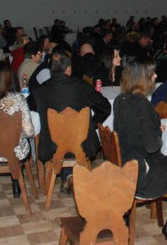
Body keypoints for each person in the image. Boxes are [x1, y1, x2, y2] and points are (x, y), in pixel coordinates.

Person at [113, 57, 167, 240]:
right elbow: (153, 146)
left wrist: (152, 128)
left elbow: (132, 130)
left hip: (126, 165)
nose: (156, 76)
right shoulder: (142, 105)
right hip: (143, 174)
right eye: (152, 73)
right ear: (142, 78)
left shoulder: (120, 100)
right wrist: (157, 131)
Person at [33, 53, 111, 193]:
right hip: (83, 143)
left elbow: (31, 108)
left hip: (51, 145)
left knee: (62, 138)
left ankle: (68, 176)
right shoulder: (81, 86)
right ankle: (71, 176)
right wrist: (90, 124)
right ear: (69, 69)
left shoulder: (40, 90)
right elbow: (105, 107)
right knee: (70, 138)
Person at [0, 61, 35, 198]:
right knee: (21, 141)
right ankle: (17, 182)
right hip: (16, 152)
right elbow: (29, 132)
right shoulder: (19, 99)